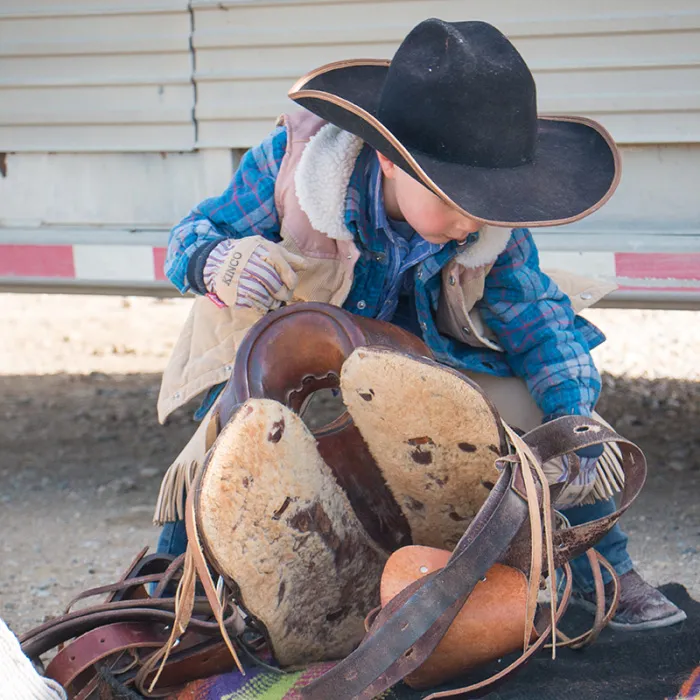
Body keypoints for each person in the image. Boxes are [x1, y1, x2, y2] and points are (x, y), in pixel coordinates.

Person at [154, 18, 685, 631]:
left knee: (562, 430)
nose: (471, 221)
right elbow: (190, 236)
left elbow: (536, 318)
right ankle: (172, 583)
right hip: (302, 365)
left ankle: (598, 569)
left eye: (484, 202)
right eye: (455, 198)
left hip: (430, 365)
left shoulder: (489, 225)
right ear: (388, 159)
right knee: (224, 440)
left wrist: (574, 414)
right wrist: (213, 261)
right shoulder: (294, 170)